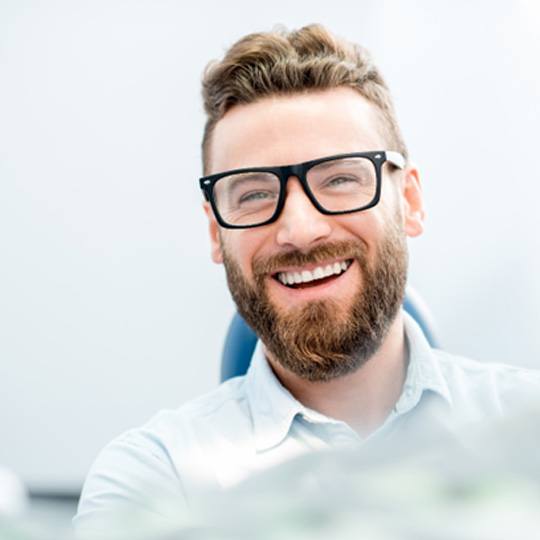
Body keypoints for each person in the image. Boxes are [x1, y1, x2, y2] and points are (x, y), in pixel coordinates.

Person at [74, 24, 540, 535]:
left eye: (340, 179)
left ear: (408, 202)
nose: (298, 230)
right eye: (252, 194)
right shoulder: (155, 481)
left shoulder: (527, 430)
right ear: (215, 231)